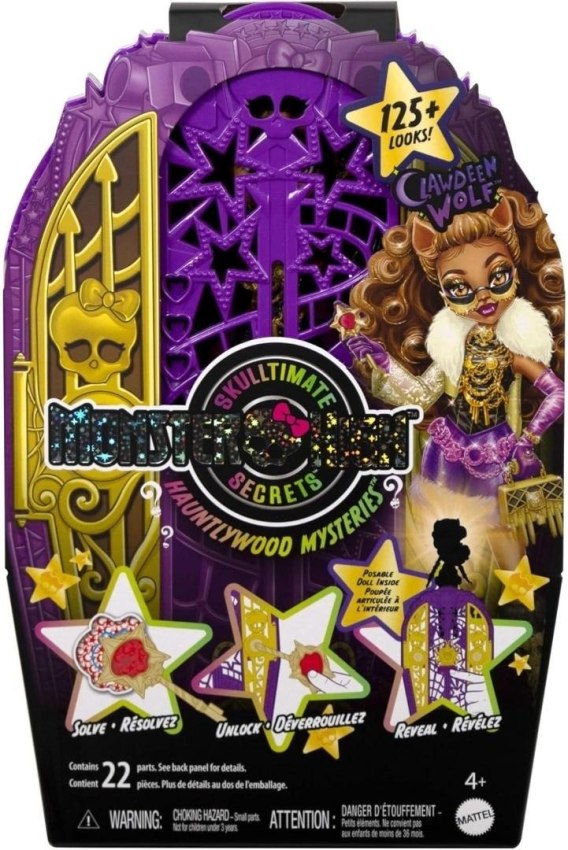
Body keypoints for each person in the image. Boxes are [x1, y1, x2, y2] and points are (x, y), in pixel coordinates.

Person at [342, 190, 564, 592]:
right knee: (438, 537)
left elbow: (558, 393)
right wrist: (382, 361)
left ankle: (511, 610)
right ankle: (440, 606)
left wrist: (529, 438)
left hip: (496, 452)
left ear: (515, 274)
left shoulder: (516, 350)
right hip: (445, 450)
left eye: (498, 277)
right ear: (443, 293)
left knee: (501, 534)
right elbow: (419, 395)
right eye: (461, 288)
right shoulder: (451, 348)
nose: (484, 297)